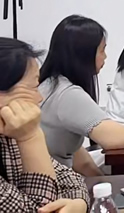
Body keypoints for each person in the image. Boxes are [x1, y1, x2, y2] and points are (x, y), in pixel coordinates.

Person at [0, 37, 90, 213]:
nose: (39, 98)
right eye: (33, 87)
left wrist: (79, 203)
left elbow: (67, 177)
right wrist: (31, 137)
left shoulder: (10, 133)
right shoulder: (24, 132)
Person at [39, 15, 124, 177]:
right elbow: (119, 138)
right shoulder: (67, 94)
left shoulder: (49, 83)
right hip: (55, 181)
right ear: (84, 54)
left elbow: (78, 157)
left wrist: (104, 182)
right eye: (102, 50)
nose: (105, 56)